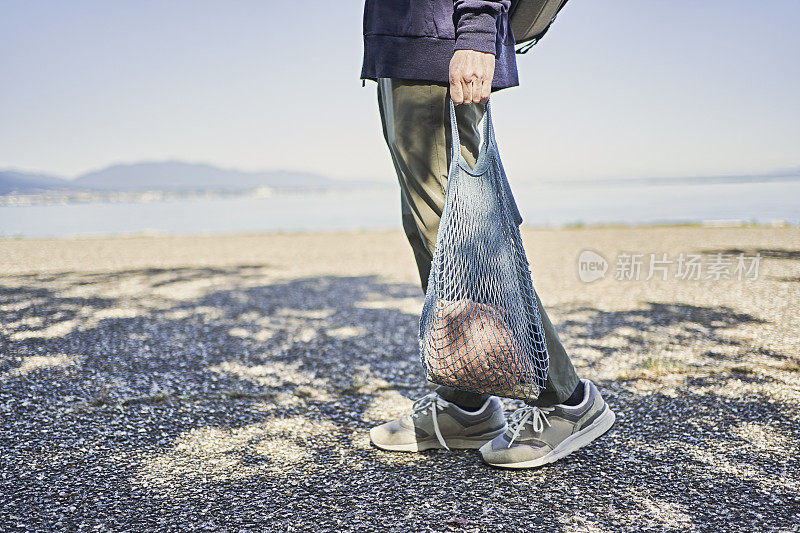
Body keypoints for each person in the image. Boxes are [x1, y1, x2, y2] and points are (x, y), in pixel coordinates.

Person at [361, 0, 615, 468]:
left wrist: (477, 30)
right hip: (398, 47)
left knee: (464, 239)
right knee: (429, 231)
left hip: (437, 44)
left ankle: (567, 401)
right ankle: (467, 405)